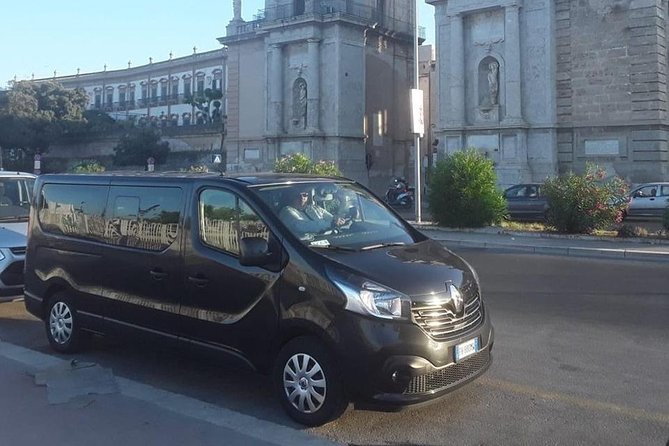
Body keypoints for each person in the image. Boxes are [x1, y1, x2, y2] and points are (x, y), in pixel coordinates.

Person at [279, 189, 345, 237]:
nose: (302, 198)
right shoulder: (286, 212)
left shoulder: (314, 208)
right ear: (291, 196)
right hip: (304, 245)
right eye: (298, 195)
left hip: (327, 239)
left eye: (304, 195)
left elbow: (331, 218)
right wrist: (330, 224)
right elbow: (301, 226)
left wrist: (338, 220)